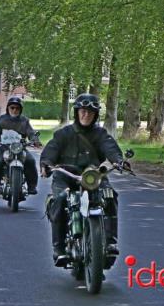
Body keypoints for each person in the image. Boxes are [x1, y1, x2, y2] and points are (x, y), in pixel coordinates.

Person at [40, 93, 130, 267]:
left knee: (110, 194)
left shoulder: (100, 134)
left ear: (95, 115)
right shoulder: (63, 134)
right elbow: (51, 149)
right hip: (66, 175)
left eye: (90, 112)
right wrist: (46, 163)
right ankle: (58, 248)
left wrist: (119, 161)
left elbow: (109, 147)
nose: (86, 115)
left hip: (91, 176)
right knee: (59, 199)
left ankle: (110, 242)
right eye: (82, 111)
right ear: (77, 112)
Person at [0, 96, 41, 198]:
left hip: (20, 147)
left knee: (31, 161)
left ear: (20, 109)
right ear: (8, 108)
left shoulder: (24, 121)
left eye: (17, 108)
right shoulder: (0, 120)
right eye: (12, 107)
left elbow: (31, 133)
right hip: (4, 147)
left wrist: (35, 140)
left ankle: (32, 187)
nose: (14, 110)